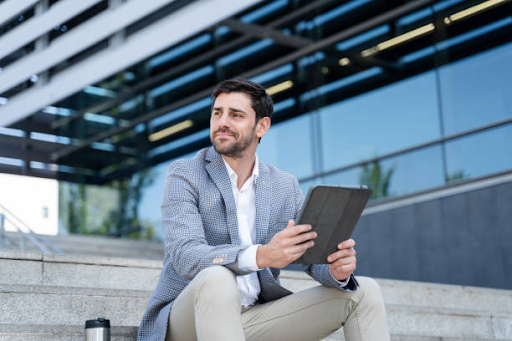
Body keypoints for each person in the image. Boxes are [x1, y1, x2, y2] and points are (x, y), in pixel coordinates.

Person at [138, 79, 390, 341]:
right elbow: (186, 255)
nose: (223, 121)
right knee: (217, 277)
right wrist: (262, 256)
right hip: (189, 321)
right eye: (217, 113)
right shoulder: (185, 173)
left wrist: (336, 271)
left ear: (262, 126)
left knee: (364, 291)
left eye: (235, 115)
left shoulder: (284, 185)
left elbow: (310, 255)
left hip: (256, 318)